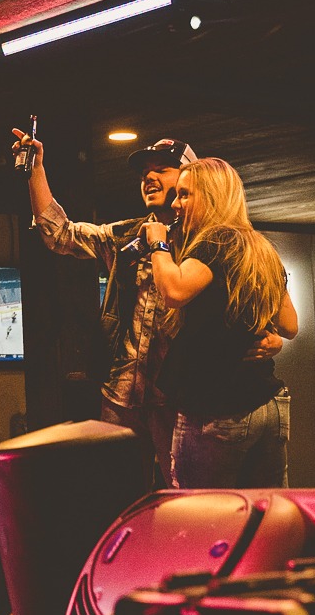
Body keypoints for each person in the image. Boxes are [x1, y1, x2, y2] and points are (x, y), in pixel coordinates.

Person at [18, 130, 282, 488]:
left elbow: (258, 306)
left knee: (182, 495)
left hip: (181, 397)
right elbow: (59, 234)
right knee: (115, 492)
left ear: (192, 176)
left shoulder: (213, 242)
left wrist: (272, 339)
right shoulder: (129, 236)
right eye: (145, 171)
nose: (149, 177)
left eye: (163, 169)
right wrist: (36, 168)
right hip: (122, 393)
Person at [141, 157, 298, 489]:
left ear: (211, 197)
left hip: (220, 409)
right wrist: (273, 340)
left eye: (185, 195)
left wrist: (158, 244)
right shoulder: (261, 247)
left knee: (203, 515)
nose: (176, 203)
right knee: (267, 516)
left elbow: (174, 290)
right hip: (267, 405)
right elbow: (289, 325)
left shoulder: (217, 241)